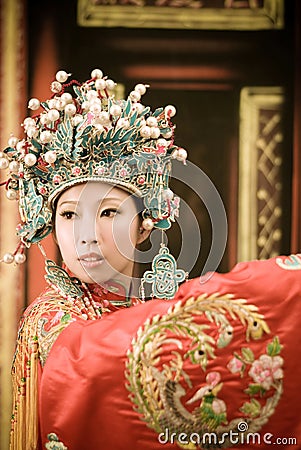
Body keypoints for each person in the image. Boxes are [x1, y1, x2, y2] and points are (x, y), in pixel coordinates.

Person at [0, 69, 300, 450]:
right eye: (69, 214)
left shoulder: (157, 303)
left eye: (108, 213)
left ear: (144, 228)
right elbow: (101, 365)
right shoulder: (51, 316)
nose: (85, 233)